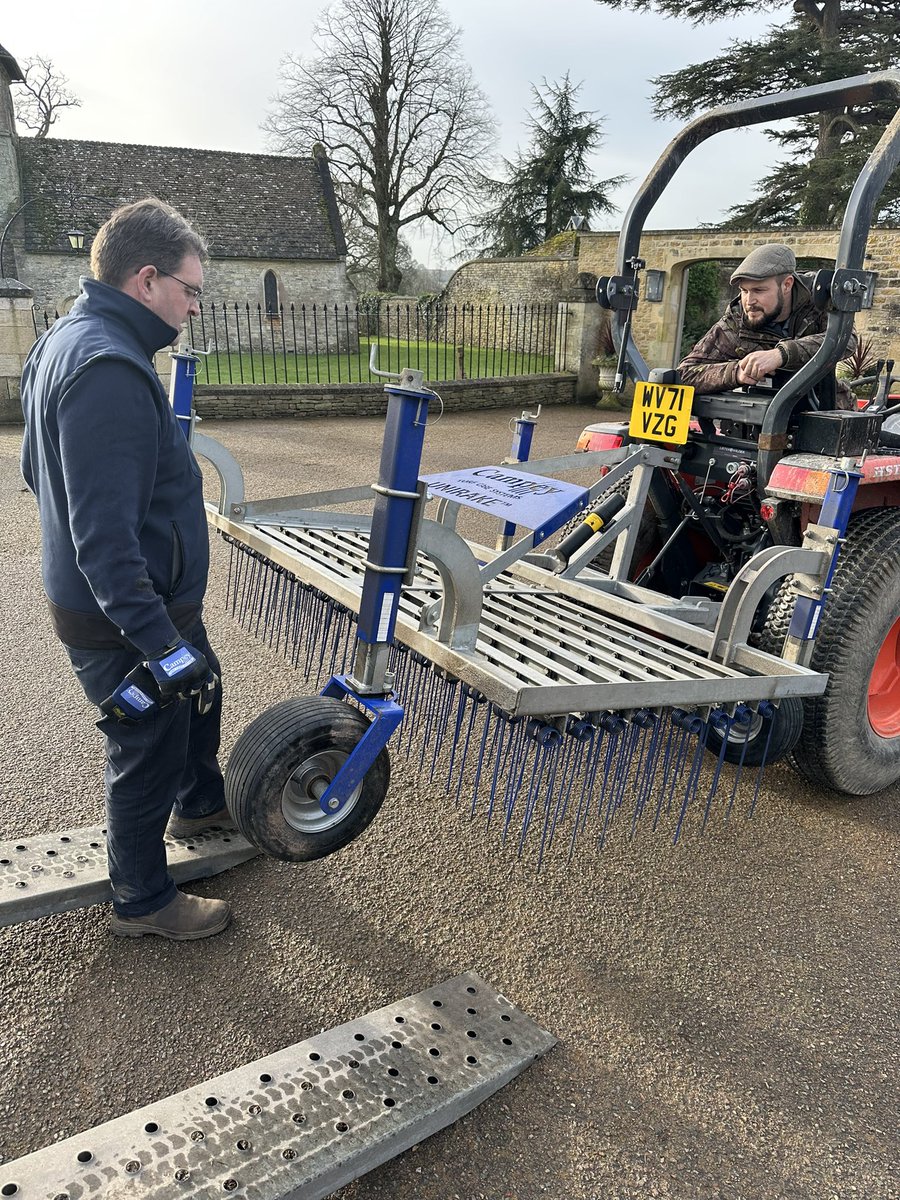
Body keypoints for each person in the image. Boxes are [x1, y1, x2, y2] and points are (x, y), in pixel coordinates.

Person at [20, 198, 233, 941]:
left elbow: (30, 470)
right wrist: (158, 643)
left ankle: (203, 801)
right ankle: (142, 900)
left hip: (148, 602)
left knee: (203, 690)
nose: (195, 307)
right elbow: (104, 542)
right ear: (147, 280)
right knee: (146, 745)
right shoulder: (108, 367)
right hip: (124, 616)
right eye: (191, 289)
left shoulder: (65, 342)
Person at [678, 242, 855, 405]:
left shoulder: (819, 299)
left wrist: (780, 355)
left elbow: (846, 340)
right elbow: (685, 374)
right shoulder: (737, 319)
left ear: (787, 285)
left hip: (825, 409)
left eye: (758, 290)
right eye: (744, 291)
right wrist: (736, 372)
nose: (749, 301)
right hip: (761, 418)